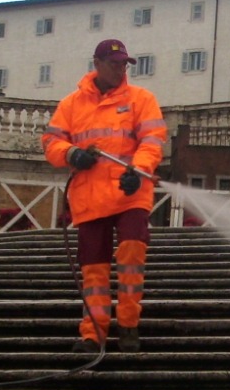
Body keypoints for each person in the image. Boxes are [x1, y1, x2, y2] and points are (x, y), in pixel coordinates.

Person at [41, 38, 167, 352]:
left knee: (131, 257)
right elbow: (51, 143)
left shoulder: (142, 99)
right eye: (115, 63)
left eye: (125, 63)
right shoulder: (71, 104)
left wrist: (137, 171)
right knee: (93, 270)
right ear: (96, 64)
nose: (121, 69)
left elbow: (152, 141)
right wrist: (72, 155)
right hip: (90, 196)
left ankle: (128, 325)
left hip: (130, 192)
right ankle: (93, 334)